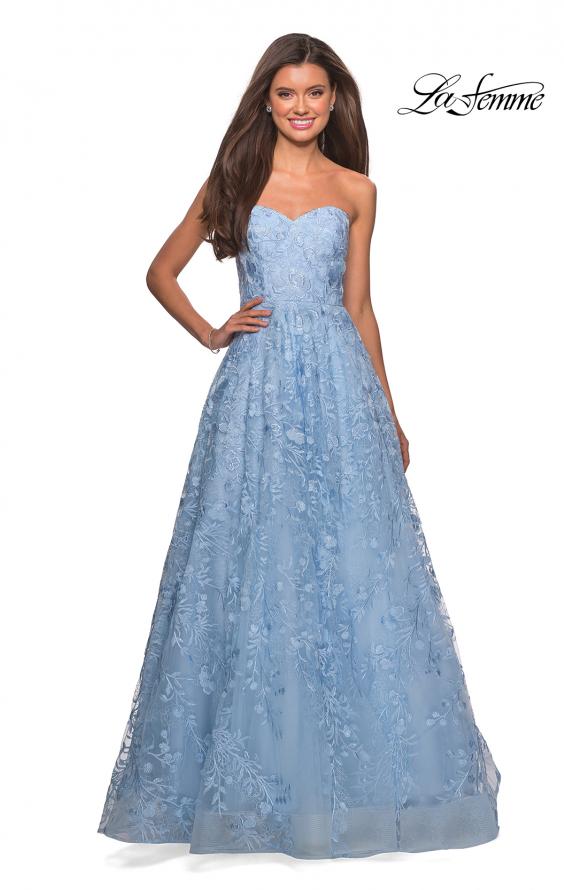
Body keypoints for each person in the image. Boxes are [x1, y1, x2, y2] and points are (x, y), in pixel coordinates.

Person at [97, 32, 501, 860]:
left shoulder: (356, 190)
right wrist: (211, 330)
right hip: (255, 395)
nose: (302, 106)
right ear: (266, 101)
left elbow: (359, 307)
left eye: (315, 92)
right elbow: (161, 271)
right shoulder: (233, 181)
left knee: (348, 564)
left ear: (334, 99)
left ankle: (354, 782)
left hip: (340, 392)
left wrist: (388, 412)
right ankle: (254, 789)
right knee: (248, 560)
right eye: (286, 93)